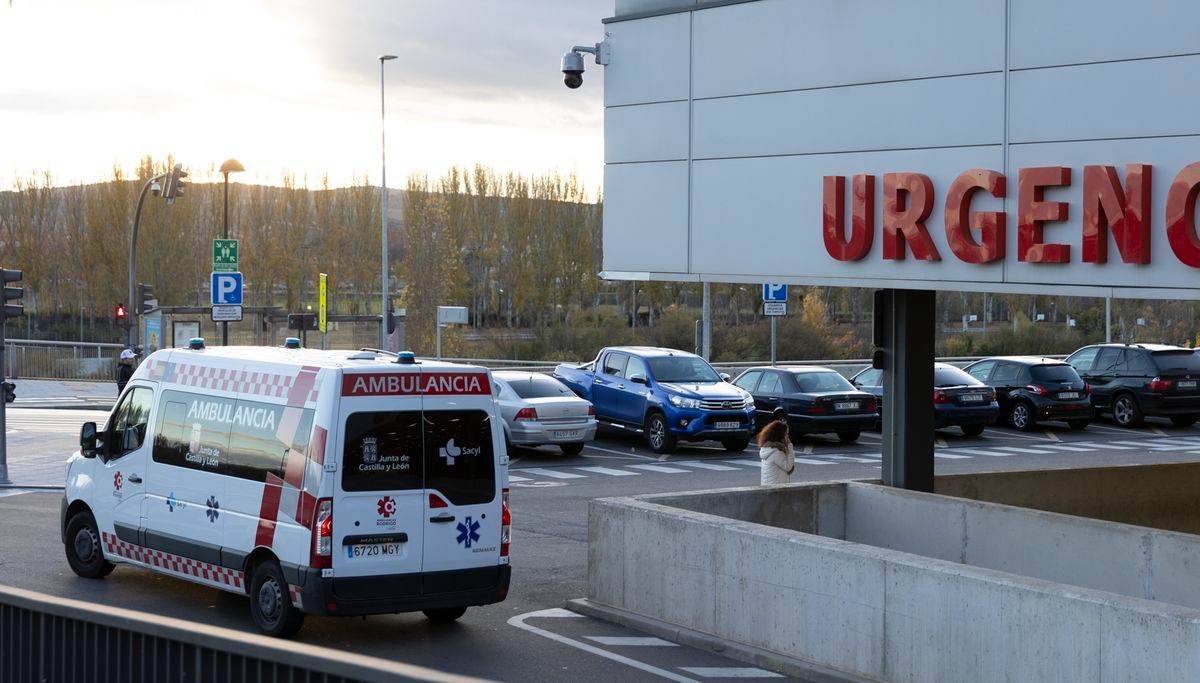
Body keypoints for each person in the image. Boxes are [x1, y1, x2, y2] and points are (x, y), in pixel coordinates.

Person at [758, 420, 795, 485]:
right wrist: (789, 446)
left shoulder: (767, 449)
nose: (787, 436)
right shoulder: (776, 452)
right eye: (786, 434)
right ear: (780, 435)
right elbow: (788, 467)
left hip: (768, 487)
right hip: (777, 489)